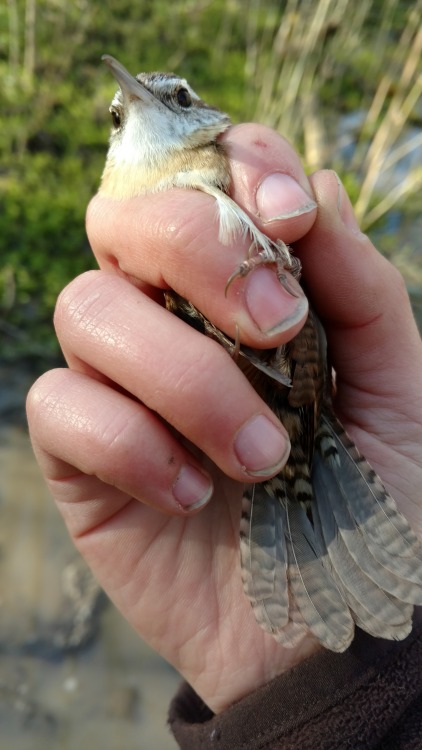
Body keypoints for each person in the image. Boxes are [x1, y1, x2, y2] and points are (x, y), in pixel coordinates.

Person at [26, 123, 422, 748]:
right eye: (117, 118)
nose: (143, 113)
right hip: (260, 441)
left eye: (176, 99)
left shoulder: (227, 169)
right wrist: (291, 707)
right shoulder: (140, 197)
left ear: (202, 120)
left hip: (305, 388)